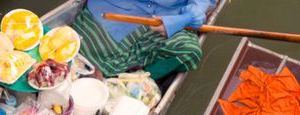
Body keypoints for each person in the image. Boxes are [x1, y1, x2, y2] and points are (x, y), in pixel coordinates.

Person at [72, 0, 214, 80]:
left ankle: (136, 83)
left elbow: (201, 5)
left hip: (165, 17)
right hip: (116, 8)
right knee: (81, 48)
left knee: (189, 50)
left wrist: (186, 17)